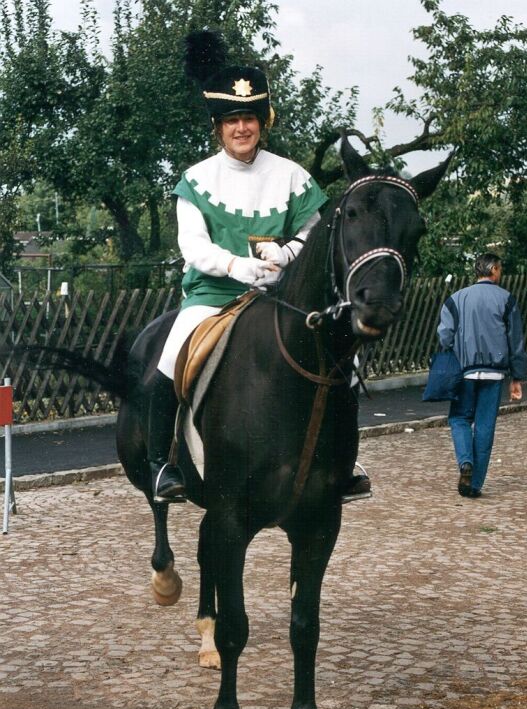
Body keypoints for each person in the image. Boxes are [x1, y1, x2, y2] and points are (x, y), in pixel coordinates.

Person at [148, 30, 371, 504]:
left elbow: (316, 232)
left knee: (344, 360)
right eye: (231, 121)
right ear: (218, 126)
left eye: (248, 118)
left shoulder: (292, 175)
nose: (241, 129)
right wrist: (235, 266)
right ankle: (163, 463)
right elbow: (192, 246)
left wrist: (288, 253)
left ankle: (342, 461)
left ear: (261, 122)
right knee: (170, 359)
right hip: (211, 296)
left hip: (282, 297)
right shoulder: (195, 180)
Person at [437, 252, 527, 498]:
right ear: (494, 270)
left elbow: (444, 337)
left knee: (459, 419)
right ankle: (474, 484)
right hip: (495, 373)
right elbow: (515, 341)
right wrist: (516, 378)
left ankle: (465, 461)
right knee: (485, 426)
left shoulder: (455, 299)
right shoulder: (506, 299)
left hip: (464, 372)